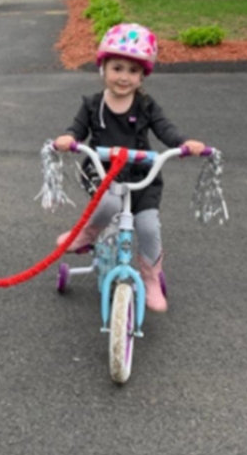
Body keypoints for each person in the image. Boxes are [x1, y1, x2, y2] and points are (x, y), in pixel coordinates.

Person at [52, 23, 205, 312]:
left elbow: (165, 128)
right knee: (109, 201)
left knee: (148, 226)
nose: (124, 77)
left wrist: (184, 143)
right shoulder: (92, 105)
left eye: (133, 71)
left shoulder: (146, 106)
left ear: (142, 75)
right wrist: (69, 139)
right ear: (103, 68)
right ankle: (87, 234)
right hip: (103, 172)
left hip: (141, 175)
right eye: (117, 68)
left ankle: (150, 277)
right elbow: (77, 129)